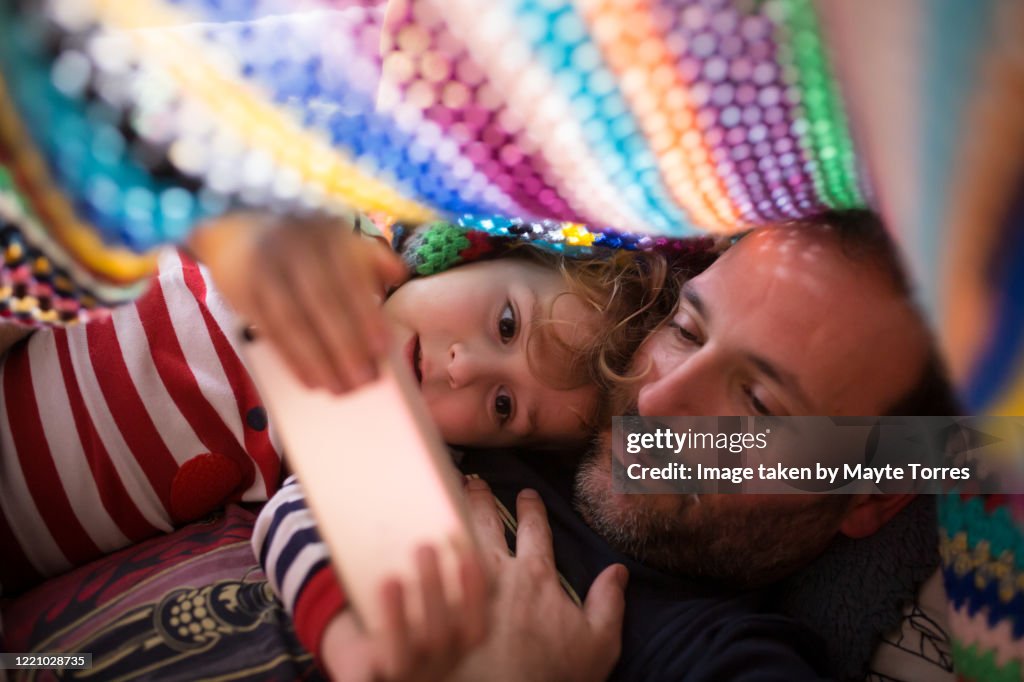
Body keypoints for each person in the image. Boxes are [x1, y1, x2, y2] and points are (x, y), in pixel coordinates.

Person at [258, 209, 963, 680]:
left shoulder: (721, 655)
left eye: (758, 404)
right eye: (686, 330)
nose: (656, 401)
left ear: (872, 492)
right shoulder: (486, 423)